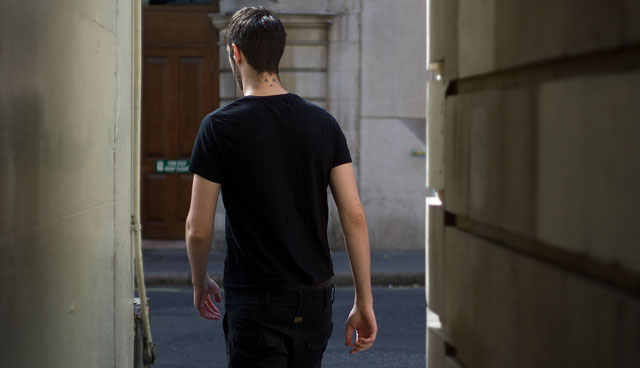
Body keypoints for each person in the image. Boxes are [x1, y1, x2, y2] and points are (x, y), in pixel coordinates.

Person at [185, 6, 377, 367]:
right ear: (278, 53)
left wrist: (199, 281)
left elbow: (198, 228)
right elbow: (354, 216)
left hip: (254, 300)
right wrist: (363, 302)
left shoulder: (218, 127)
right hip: (315, 299)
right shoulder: (323, 124)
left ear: (235, 53)